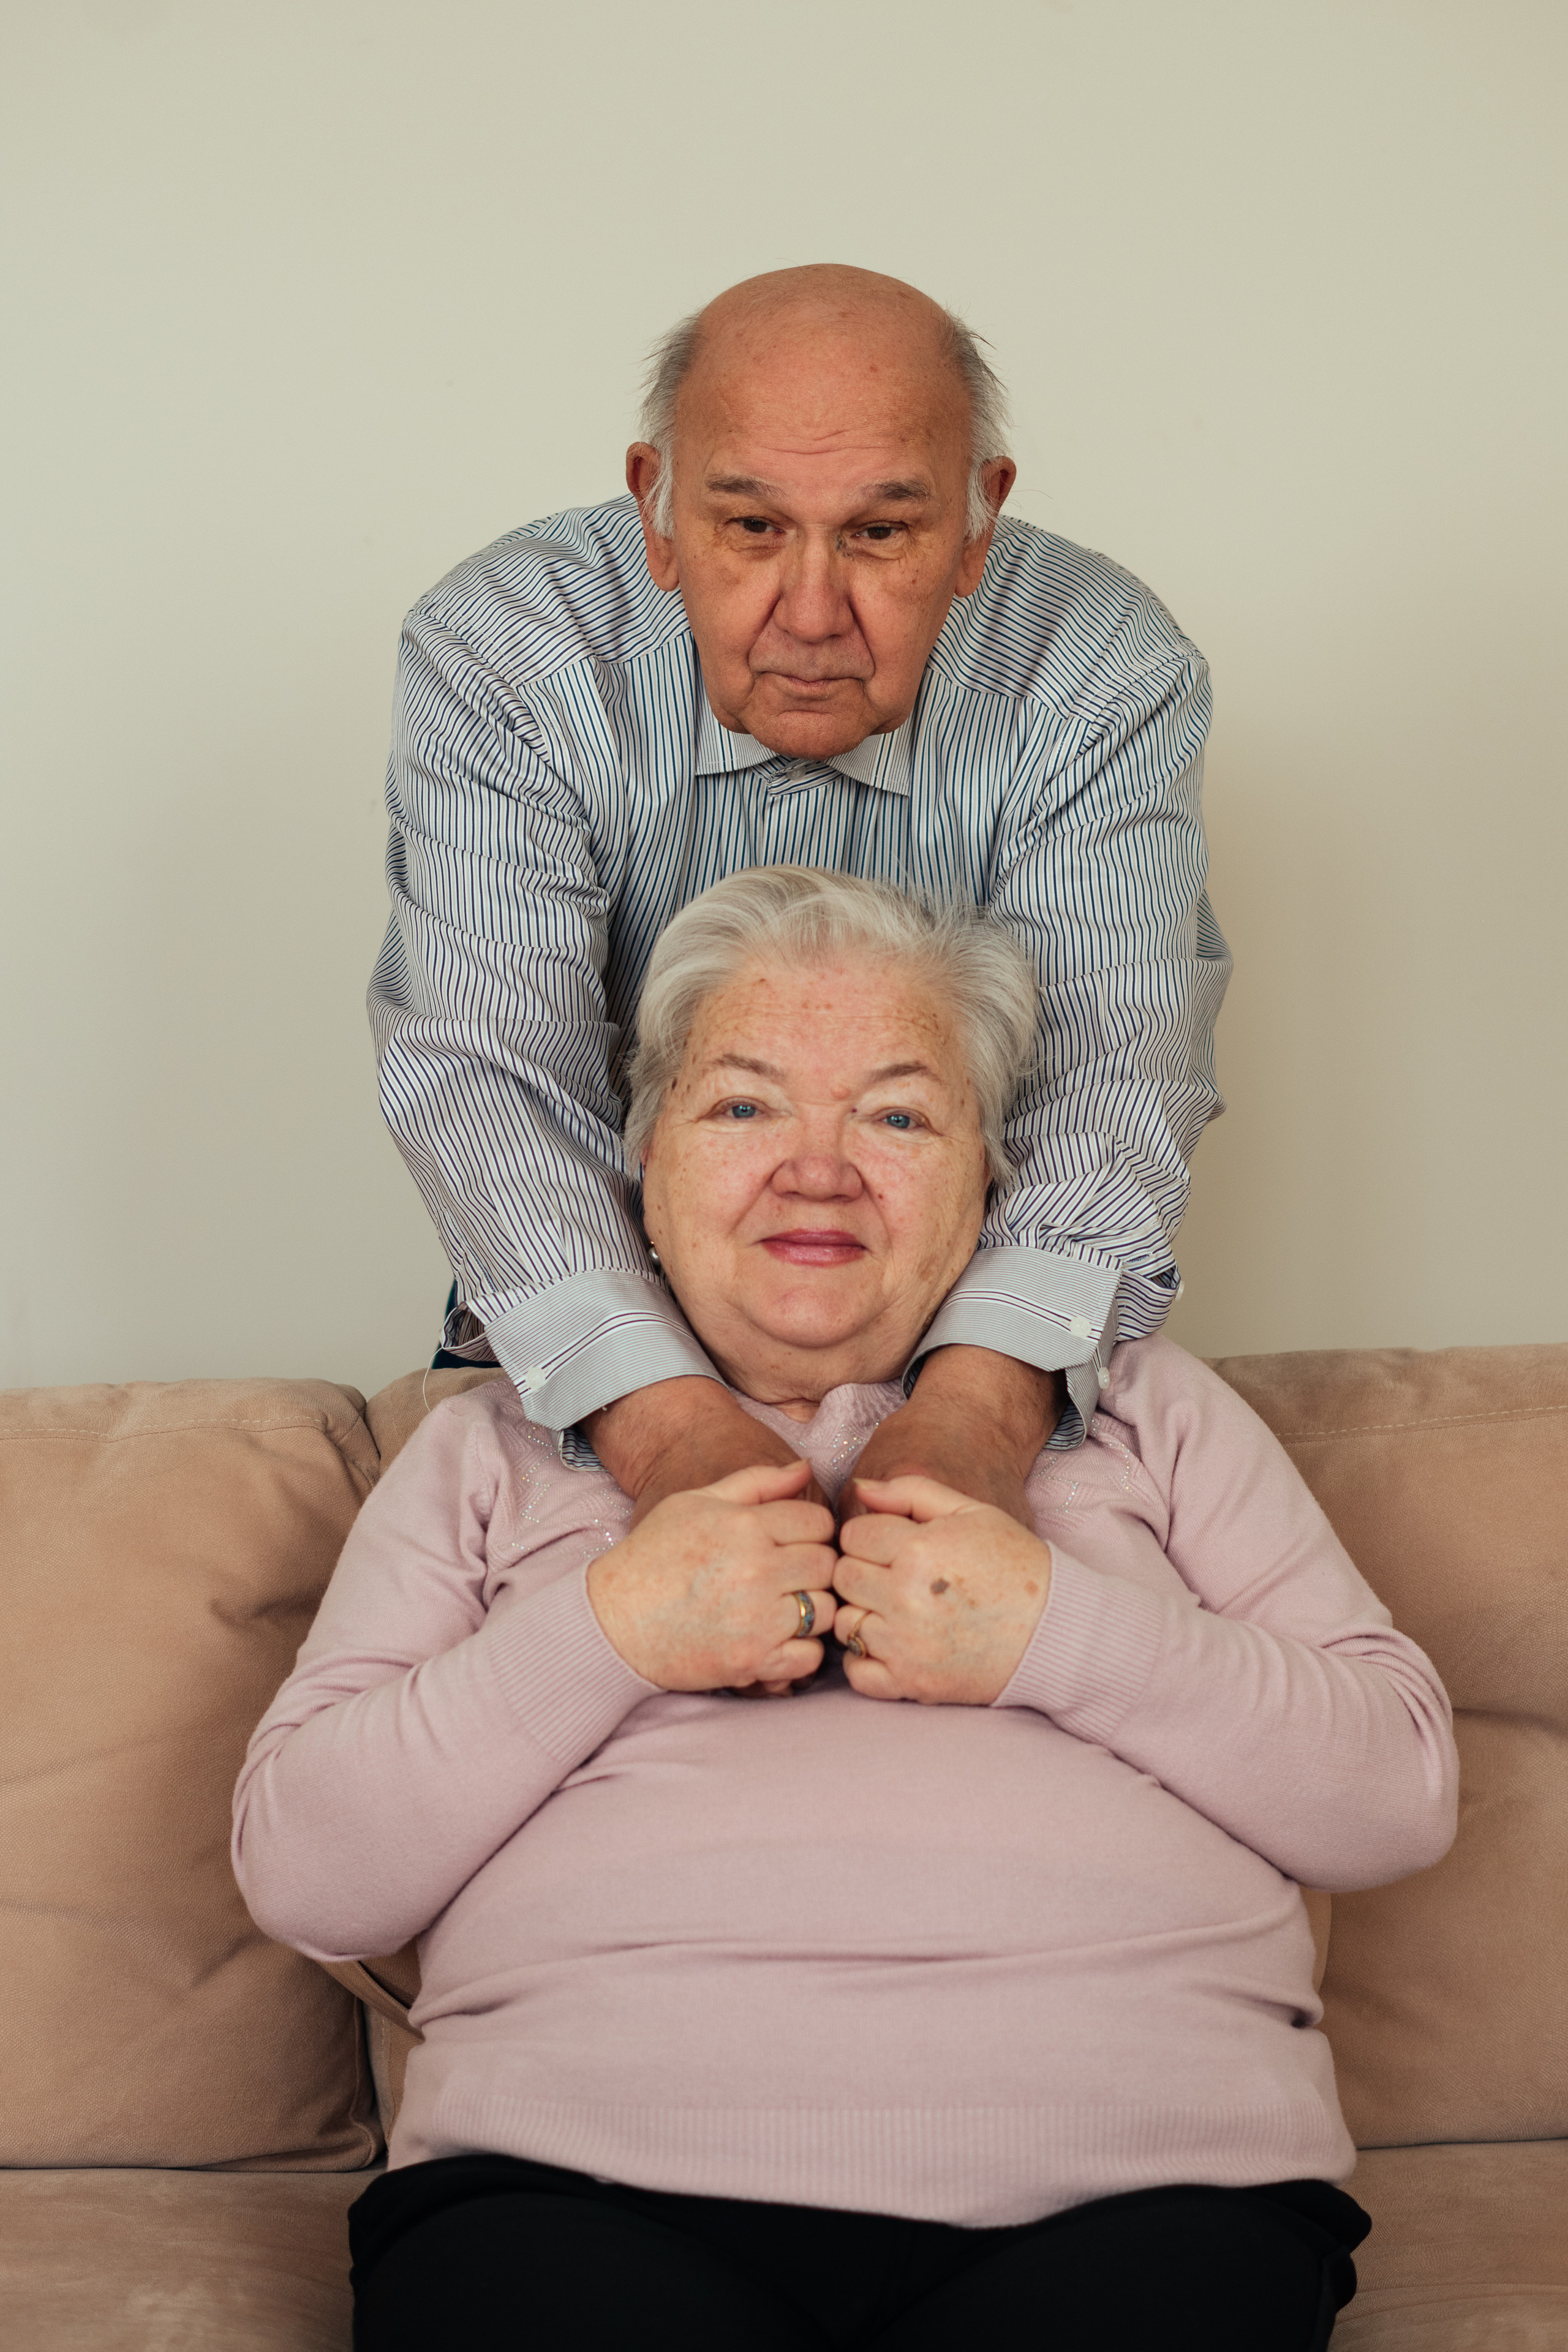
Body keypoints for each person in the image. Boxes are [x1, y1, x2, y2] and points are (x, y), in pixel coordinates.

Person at [240, 869, 1457, 2351]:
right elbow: (306, 1872)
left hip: (1148, 2202)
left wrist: (1059, 1633)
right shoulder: (488, 1449)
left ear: (990, 1186)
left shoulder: (1145, 1415)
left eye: (896, 1115)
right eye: (743, 1107)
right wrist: (606, 1629)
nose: (816, 1172)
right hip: (570, 2197)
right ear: (638, 1173)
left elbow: (1394, 1796)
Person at [369, 262, 1231, 1532]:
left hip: (971, 1359)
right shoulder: (508, 650)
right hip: (589, 1367)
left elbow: (1109, 1073)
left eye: (880, 533)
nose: (812, 614)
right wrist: (667, 1430)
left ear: (976, 524)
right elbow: (491, 1074)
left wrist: (973, 1420)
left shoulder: (1102, 665)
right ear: (656, 515)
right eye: (751, 528)